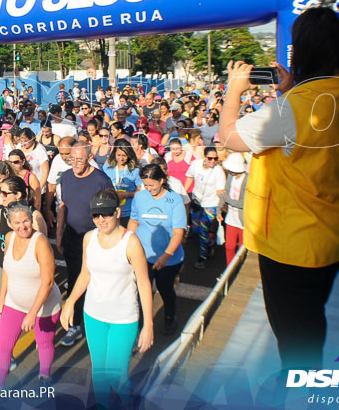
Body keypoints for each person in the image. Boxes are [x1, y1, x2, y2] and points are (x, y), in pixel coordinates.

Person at [219, 6, 339, 371]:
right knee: (310, 319)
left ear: (300, 53)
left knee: (297, 337)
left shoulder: (290, 110)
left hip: (295, 246)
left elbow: (228, 136)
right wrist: (291, 88)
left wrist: (233, 91)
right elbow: (319, 138)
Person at [62, 189, 154, 409]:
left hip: (123, 318)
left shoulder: (131, 243)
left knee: (116, 374)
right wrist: (70, 302)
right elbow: (85, 273)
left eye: (106, 214)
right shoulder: (89, 238)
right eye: (95, 215)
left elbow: (143, 284)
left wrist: (148, 324)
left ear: (118, 212)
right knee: (99, 371)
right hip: (93, 315)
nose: (100, 220)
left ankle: (128, 402)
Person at [0, 202, 61, 387]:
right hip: (14, 303)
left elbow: (47, 282)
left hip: (44, 305)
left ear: (32, 220)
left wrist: (32, 313)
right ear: (10, 223)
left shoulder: (40, 243)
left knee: (44, 343)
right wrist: (2, 297)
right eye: (17, 223)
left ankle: (44, 375)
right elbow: (6, 267)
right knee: (2, 347)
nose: (22, 226)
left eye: (26, 221)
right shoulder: (9, 238)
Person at [56, 142, 115, 347]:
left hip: (97, 240)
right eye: (72, 159)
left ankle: (102, 322)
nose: (75, 164)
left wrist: (108, 238)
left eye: (80, 160)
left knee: (100, 281)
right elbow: (63, 205)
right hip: (73, 238)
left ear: (90, 158)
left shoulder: (101, 180)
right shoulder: (66, 177)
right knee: (74, 280)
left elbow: (112, 210)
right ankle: (76, 326)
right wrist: (59, 233)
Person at [128, 164, 187, 334]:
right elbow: (134, 221)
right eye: (145, 185)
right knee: (141, 291)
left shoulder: (174, 200)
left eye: (151, 185)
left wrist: (166, 256)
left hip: (169, 260)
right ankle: (139, 326)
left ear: (161, 181)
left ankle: (170, 316)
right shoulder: (140, 197)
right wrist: (127, 243)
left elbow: (178, 232)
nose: (148, 189)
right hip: (143, 256)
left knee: (165, 289)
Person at [0, 174, 47, 306]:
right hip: (2, 267)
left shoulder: (35, 218)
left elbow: (43, 254)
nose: (1, 197)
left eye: (5, 194)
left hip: (26, 272)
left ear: (18, 195)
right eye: (0, 193)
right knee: (3, 309)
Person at [186, 146, 225, 268]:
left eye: (215, 158)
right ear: (204, 157)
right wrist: (184, 193)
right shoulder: (195, 164)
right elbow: (189, 177)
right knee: (196, 230)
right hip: (197, 202)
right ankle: (211, 243)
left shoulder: (218, 171)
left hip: (211, 204)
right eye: (210, 158)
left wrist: (219, 209)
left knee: (203, 230)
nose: (213, 161)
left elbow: (220, 191)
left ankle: (202, 257)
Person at [102, 142, 141, 228]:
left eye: (124, 155)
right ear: (114, 154)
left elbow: (140, 192)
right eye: (118, 155)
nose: (121, 158)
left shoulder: (135, 170)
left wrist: (126, 195)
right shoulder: (107, 168)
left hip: (129, 213)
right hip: (111, 212)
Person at [219, 153, 248, 264]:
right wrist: (219, 209)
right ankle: (229, 270)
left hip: (242, 220)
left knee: (242, 249)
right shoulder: (231, 176)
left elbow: (244, 203)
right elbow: (225, 192)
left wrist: (227, 200)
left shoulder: (247, 179)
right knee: (229, 247)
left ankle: (239, 269)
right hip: (231, 217)